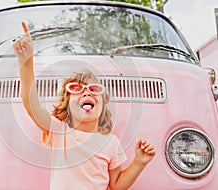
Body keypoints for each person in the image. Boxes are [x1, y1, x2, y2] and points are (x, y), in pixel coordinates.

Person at [13, 22, 156, 190]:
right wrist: (26, 61)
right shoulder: (59, 132)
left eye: (94, 90)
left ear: (102, 106)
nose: (87, 93)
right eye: (77, 89)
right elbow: (31, 105)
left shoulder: (111, 142)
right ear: (67, 106)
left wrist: (139, 162)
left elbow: (117, 185)